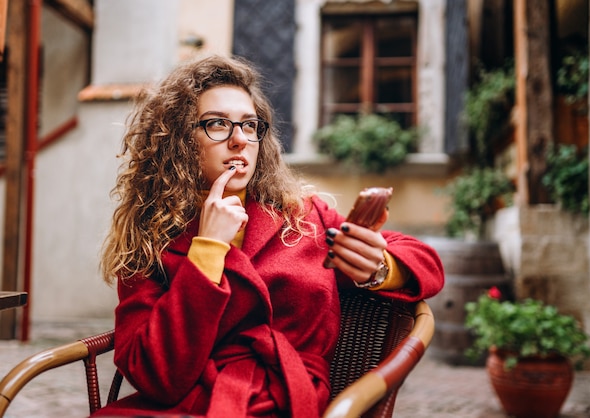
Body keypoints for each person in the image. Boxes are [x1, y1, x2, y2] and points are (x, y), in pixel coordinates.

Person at [95, 54, 444, 418]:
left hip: (286, 401)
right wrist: (208, 250)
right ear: (180, 140)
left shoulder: (303, 217)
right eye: (217, 124)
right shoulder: (149, 239)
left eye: (249, 125)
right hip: (189, 403)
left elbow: (426, 262)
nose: (239, 140)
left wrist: (380, 267)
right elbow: (156, 374)